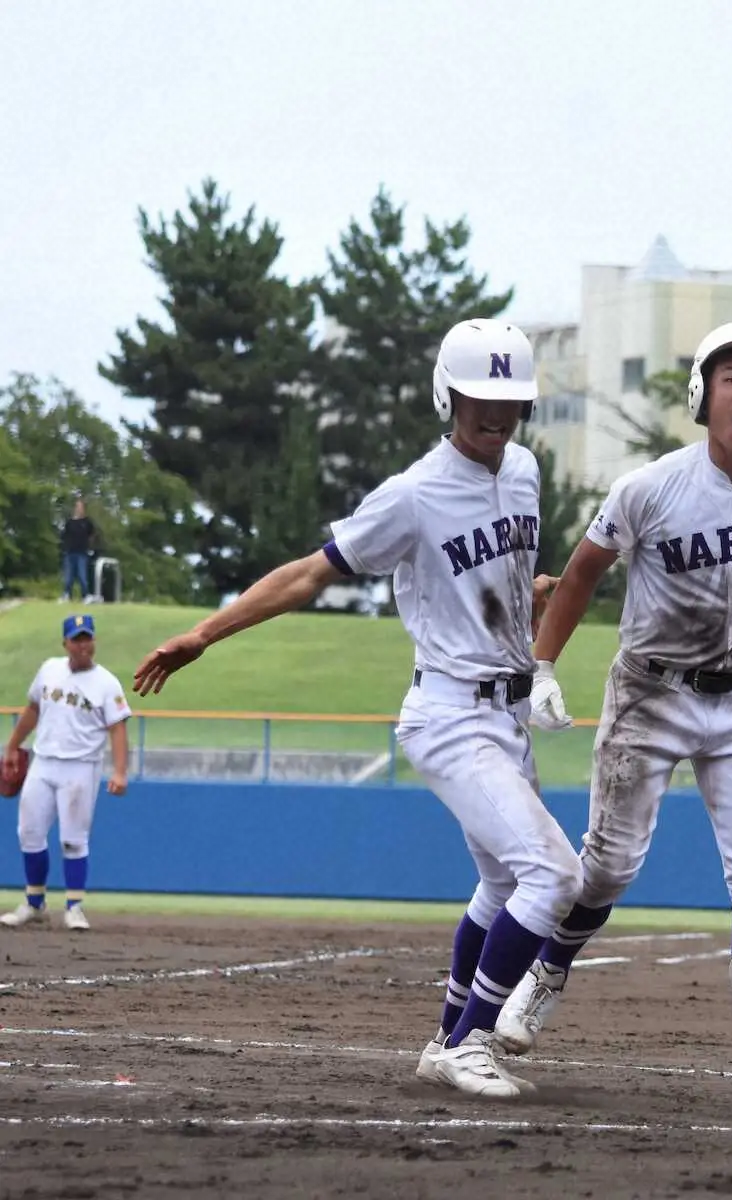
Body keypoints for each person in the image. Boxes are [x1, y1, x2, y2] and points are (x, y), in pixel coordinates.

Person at [131, 318, 582, 1100]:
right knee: (553, 874)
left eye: (509, 396)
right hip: (450, 716)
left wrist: (527, 600)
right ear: (447, 395)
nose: (495, 411)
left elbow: (495, 577)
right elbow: (311, 573)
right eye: (478, 394)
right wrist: (204, 633)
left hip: (506, 718)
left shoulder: (524, 472)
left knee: (504, 885)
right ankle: (471, 1042)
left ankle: (443, 1042)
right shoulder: (412, 493)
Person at [494, 321, 732, 1114]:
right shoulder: (651, 485)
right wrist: (543, 664)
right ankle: (547, 972)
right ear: (702, 394)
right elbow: (582, 574)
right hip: (648, 690)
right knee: (607, 867)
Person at [1, 613, 131, 931]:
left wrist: (120, 772)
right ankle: (34, 904)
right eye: (76, 639)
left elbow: (117, 728)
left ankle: (74, 907)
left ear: (94, 641)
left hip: (80, 766)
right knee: (29, 833)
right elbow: (33, 709)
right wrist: (12, 745)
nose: (82, 645)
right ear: (65, 643)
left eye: (87, 638)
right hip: (43, 761)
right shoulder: (49, 669)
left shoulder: (107, 683)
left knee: (73, 839)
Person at [59, 497, 95, 603]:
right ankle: (67, 594)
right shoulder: (70, 522)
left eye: (80, 507)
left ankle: (85, 595)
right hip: (70, 552)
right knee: (68, 576)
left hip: (82, 552)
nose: (78, 509)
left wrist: (89, 547)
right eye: (77, 507)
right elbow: (64, 535)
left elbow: (92, 535)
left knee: (82, 575)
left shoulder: (87, 522)